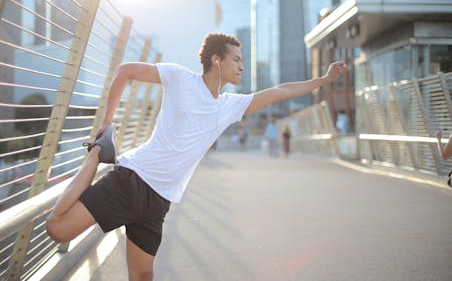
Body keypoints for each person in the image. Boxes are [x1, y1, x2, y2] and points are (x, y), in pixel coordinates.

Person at [45, 33, 348, 281]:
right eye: (237, 60)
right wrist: (107, 123)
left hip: (159, 201)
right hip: (132, 180)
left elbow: (280, 90)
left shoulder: (230, 105)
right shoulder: (179, 77)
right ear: (217, 61)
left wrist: (322, 80)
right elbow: (126, 71)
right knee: (57, 229)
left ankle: (99, 156)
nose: (242, 67)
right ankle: (96, 155)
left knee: (142, 276)